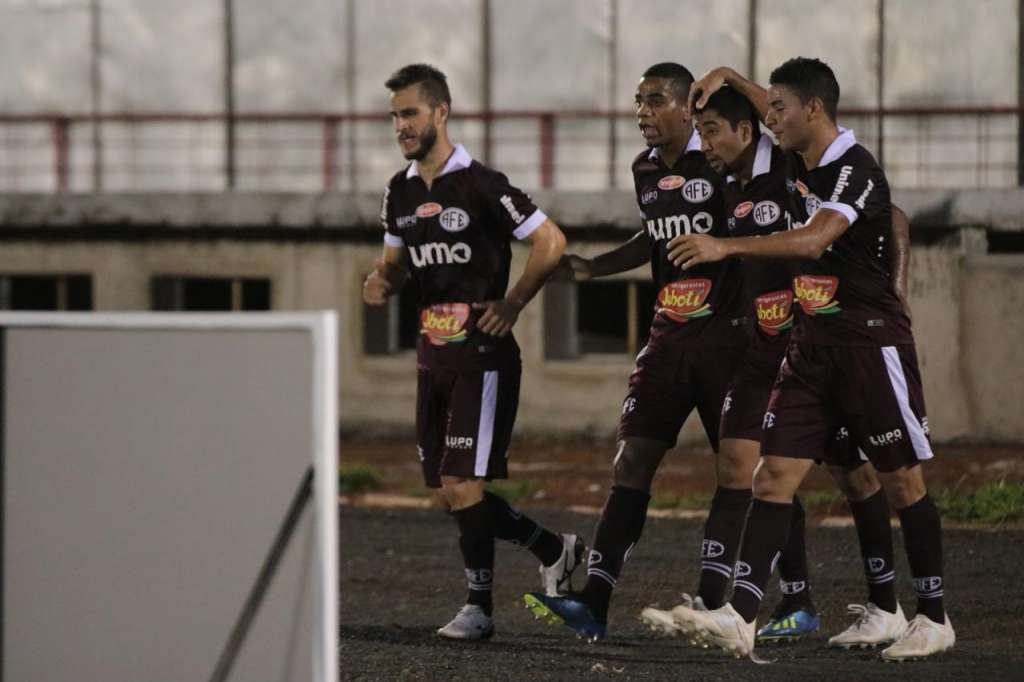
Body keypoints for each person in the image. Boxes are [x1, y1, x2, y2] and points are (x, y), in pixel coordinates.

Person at [666, 58, 954, 661]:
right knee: (773, 477)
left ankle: (933, 615)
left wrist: (724, 244)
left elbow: (815, 237)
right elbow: (776, 108)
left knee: (901, 482)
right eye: (766, 109)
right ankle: (740, 619)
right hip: (810, 347)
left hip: (869, 346)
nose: (769, 121)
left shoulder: (856, 169)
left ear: (814, 111)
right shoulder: (801, 159)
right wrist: (726, 76)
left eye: (778, 110)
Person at [521, 62, 748, 641]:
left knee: (744, 470)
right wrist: (597, 266)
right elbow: (655, 235)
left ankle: (724, 601)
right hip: (667, 340)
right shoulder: (644, 168)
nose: (641, 112)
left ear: (686, 108)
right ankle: (594, 602)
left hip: (728, 341)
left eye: (653, 100)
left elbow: (756, 227)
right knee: (631, 462)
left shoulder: (723, 156)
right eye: (637, 101)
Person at [363, 63, 583, 641]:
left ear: (440, 111)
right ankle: (552, 548)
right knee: (450, 491)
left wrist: (512, 303)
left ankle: (479, 608)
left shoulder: (482, 183)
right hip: (431, 357)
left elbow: (551, 242)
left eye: (409, 113)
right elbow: (392, 262)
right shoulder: (399, 191)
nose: (400, 126)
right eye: (394, 116)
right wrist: (381, 280)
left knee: (461, 484)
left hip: (482, 357)